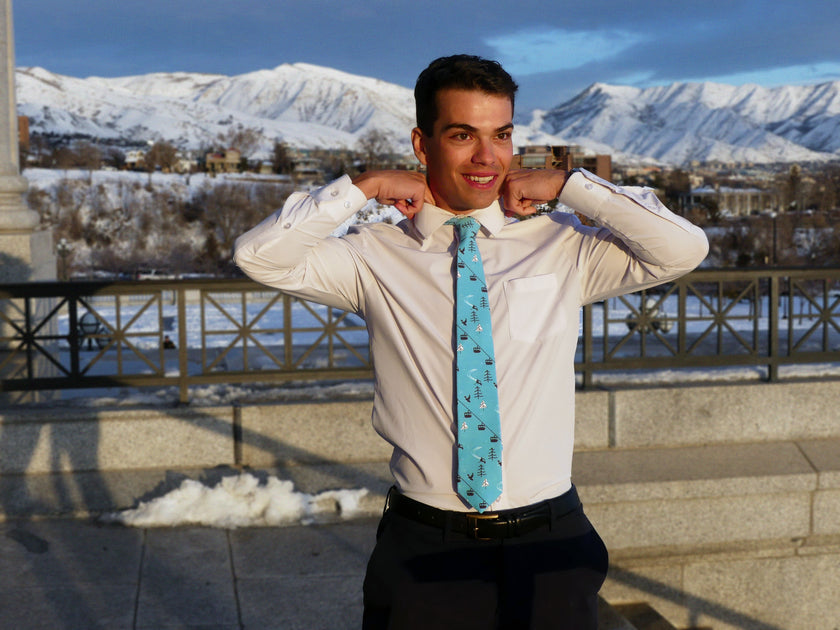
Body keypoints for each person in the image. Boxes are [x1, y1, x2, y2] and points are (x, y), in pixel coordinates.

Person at [234, 54, 708, 629]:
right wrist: (363, 188)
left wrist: (571, 185)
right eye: (463, 135)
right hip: (425, 543)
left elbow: (683, 249)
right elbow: (258, 257)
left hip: (550, 541)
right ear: (422, 142)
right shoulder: (374, 255)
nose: (487, 157)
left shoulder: (562, 244)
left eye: (501, 135)